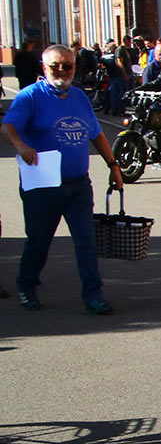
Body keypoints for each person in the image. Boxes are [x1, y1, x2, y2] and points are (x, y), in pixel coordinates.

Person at [2, 44, 125, 313]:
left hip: (78, 185)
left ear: (74, 67)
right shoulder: (30, 96)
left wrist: (113, 165)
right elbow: (8, 125)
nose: (61, 71)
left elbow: (97, 134)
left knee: (86, 242)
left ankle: (93, 296)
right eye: (55, 66)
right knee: (39, 240)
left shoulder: (79, 97)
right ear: (44, 68)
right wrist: (20, 145)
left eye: (67, 66)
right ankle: (26, 285)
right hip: (43, 184)